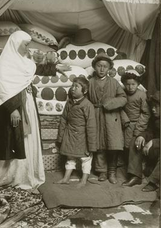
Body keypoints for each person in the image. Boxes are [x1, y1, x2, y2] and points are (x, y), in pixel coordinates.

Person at [0, 30, 70, 190]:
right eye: (25, 45)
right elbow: (2, 90)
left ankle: (26, 175)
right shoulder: (4, 65)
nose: (28, 49)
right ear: (15, 44)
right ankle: (9, 177)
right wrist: (13, 109)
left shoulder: (23, 61)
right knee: (14, 141)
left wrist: (55, 67)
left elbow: (35, 70)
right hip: (13, 109)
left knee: (27, 139)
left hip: (27, 105)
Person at [88, 53, 127, 184]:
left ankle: (112, 171)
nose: (102, 69)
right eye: (99, 66)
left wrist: (111, 103)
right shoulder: (90, 82)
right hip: (96, 114)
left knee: (113, 144)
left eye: (105, 66)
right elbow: (86, 100)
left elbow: (123, 98)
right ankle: (101, 171)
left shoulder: (114, 82)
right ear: (94, 67)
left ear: (109, 68)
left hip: (112, 117)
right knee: (99, 144)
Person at [55, 77, 97, 187]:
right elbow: (64, 119)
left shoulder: (88, 105)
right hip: (69, 135)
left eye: (76, 87)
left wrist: (91, 146)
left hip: (82, 136)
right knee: (70, 157)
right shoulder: (69, 103)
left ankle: (83, 180)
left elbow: (91, 126)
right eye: (72, 86)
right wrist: (60, 137)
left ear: (85, 91)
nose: (73, 89)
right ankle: (66, 178)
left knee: (85, 159)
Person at [122, 91, 160, 191]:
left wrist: (154, 142)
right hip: (155, 148)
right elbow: (150, 131)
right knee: (135, 140)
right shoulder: (155, 118)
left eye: (156, 106)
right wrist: (142, 136)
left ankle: (154, 182)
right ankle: (135, 176)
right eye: (152, 106)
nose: (153, 109)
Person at [121, 70, 150, 164]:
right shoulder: (122, 94)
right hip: (125, 123)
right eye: (127, 84)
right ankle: (124, 163)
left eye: (133, 84)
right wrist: (124, 119)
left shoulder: (141, 95)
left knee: (134, 146)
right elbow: (119, 108)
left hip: (137, 123)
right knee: (124, 145)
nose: (130, 87)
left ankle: (136, 166)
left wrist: (139, 128)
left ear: (138, 84)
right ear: (124, 84)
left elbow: (145, 113)